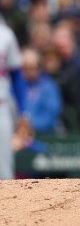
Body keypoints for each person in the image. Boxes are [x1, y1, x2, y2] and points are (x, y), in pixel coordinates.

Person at [0, 16, 29, 179]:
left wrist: (23, 111)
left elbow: (17, 75)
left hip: (1, 107)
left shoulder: (5, 34)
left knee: (4, 173)